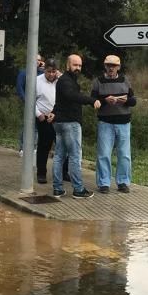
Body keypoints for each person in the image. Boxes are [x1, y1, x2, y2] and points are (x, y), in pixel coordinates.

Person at [52, 54, 95, 198]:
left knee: (59, 156)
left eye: (80, 66)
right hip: (70, 123)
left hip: (60, 123)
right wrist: (91, 100)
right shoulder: (66, 81)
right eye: (75, 65)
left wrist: (53, 113)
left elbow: (60, 101)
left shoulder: (67, 80)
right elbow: (71, 96)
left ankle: (58, 189)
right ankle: (78, 189)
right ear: (67, 65)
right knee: (74, 156)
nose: (78, 68)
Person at [92, 55, 136, 193]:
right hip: (105, 121)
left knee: (124, 154)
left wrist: (126, 101)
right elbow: (92, 100)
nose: (111, 68)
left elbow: (133, 100)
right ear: (105, 66)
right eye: (108, 65)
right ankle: (104, 183)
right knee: (104, 153)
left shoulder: (125, 80)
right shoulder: (98, 81)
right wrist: (105, 100)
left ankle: (123, 182)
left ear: (118, 67)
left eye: (114, 65)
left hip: (124, 122)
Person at [34, 58, 60, 184]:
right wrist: (38, 114)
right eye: (49, 71)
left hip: (58, 117)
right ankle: (41, 173)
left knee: (62, 146)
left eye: (54, 72)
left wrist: (60, 77)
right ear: (44, 70)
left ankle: (63, 173)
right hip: (43, 117)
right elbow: (30, 100)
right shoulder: (37, 81)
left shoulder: (60, 81)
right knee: (44, 146)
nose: (51, 74)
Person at [16, 53, 44, 156]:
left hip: (39, 104)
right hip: (27, 103)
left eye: (39, 60)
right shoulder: (23, 73)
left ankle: (34, 148)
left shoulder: (42, 73)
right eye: (35, 59)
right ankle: (22, 148)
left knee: (37, 126)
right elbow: (19, 89)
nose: (37, 61)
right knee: (27, 124)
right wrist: (26, 101)